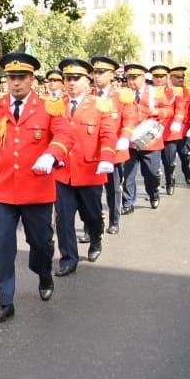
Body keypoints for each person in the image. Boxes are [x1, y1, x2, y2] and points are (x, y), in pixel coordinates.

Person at [0, 52, 73, 325]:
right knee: (3, 246)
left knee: (41, 243)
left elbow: (66, 135)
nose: (15, 83)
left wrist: (52, 153)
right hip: (3, 190)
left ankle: (43, 273)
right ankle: (6, 301)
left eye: (21, 78)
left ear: (32, 79)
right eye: (11, 77)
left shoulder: (50, 107)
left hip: (37, 189)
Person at [52, 58, 118, 275]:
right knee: (63, 217)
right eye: (67, 78)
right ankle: (68, 258)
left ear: (87, 80)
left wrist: (107, 158)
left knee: (92, 214)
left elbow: (108, 134)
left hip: (90, 171)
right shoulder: (55, 105)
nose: (71, 83)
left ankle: (96, 239)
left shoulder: (100, 104)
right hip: (63, 172)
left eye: (76, 78)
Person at [92, 56, 136, 235]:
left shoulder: (121, 96)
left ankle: (114, 220)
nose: (97, 76)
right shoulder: (89, 96)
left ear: (111, 75)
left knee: (113, 189)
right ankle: (91, 227)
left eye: (102, 72)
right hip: (92, 153)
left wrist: (125, 136)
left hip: (114, 151)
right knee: (91, 194)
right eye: (95, 72)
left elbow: (130, 118)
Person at [120, 64, 168, 213]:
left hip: (149, 141)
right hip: (129, 141)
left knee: (152, 173)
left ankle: (153, 194)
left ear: (143, 77)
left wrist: (157, 111)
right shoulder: (123, 94)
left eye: (134, 78)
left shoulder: (155, 92)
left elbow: (168, 110)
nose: (131, 81)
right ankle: (128, 203)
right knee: (128, 175)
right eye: (129, 78)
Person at [163, 65, 190, 190]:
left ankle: (186, 169)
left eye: (182, 77)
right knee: (169, 158)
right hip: (169, 130)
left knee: (184, 154)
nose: (181, 79)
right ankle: (170, 180)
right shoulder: (163, 91)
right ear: (170, 77)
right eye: (178, 77)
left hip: (184, 130)